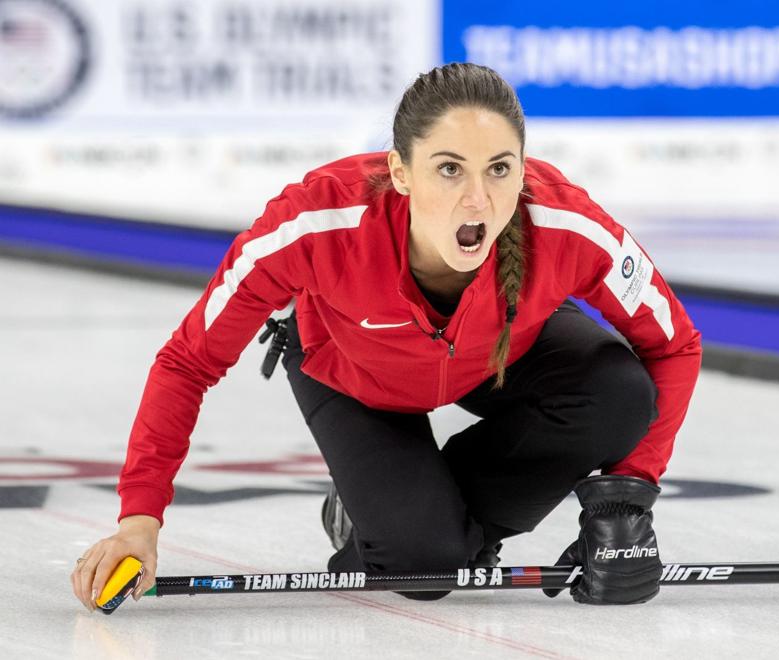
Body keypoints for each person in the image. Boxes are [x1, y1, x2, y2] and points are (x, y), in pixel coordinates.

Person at [70, 63, 702, 609]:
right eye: (449, 169)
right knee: (425, 565)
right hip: (351, 375)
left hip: (498, 357)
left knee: (619, 392)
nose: (478, 200)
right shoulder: (315, 222)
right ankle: (372, 512)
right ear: (400, 172)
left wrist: (625, 505)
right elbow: (188, 361)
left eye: (500, 169)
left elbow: (674, 343)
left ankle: (414, 513)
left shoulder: (565, 223)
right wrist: (138, 523)